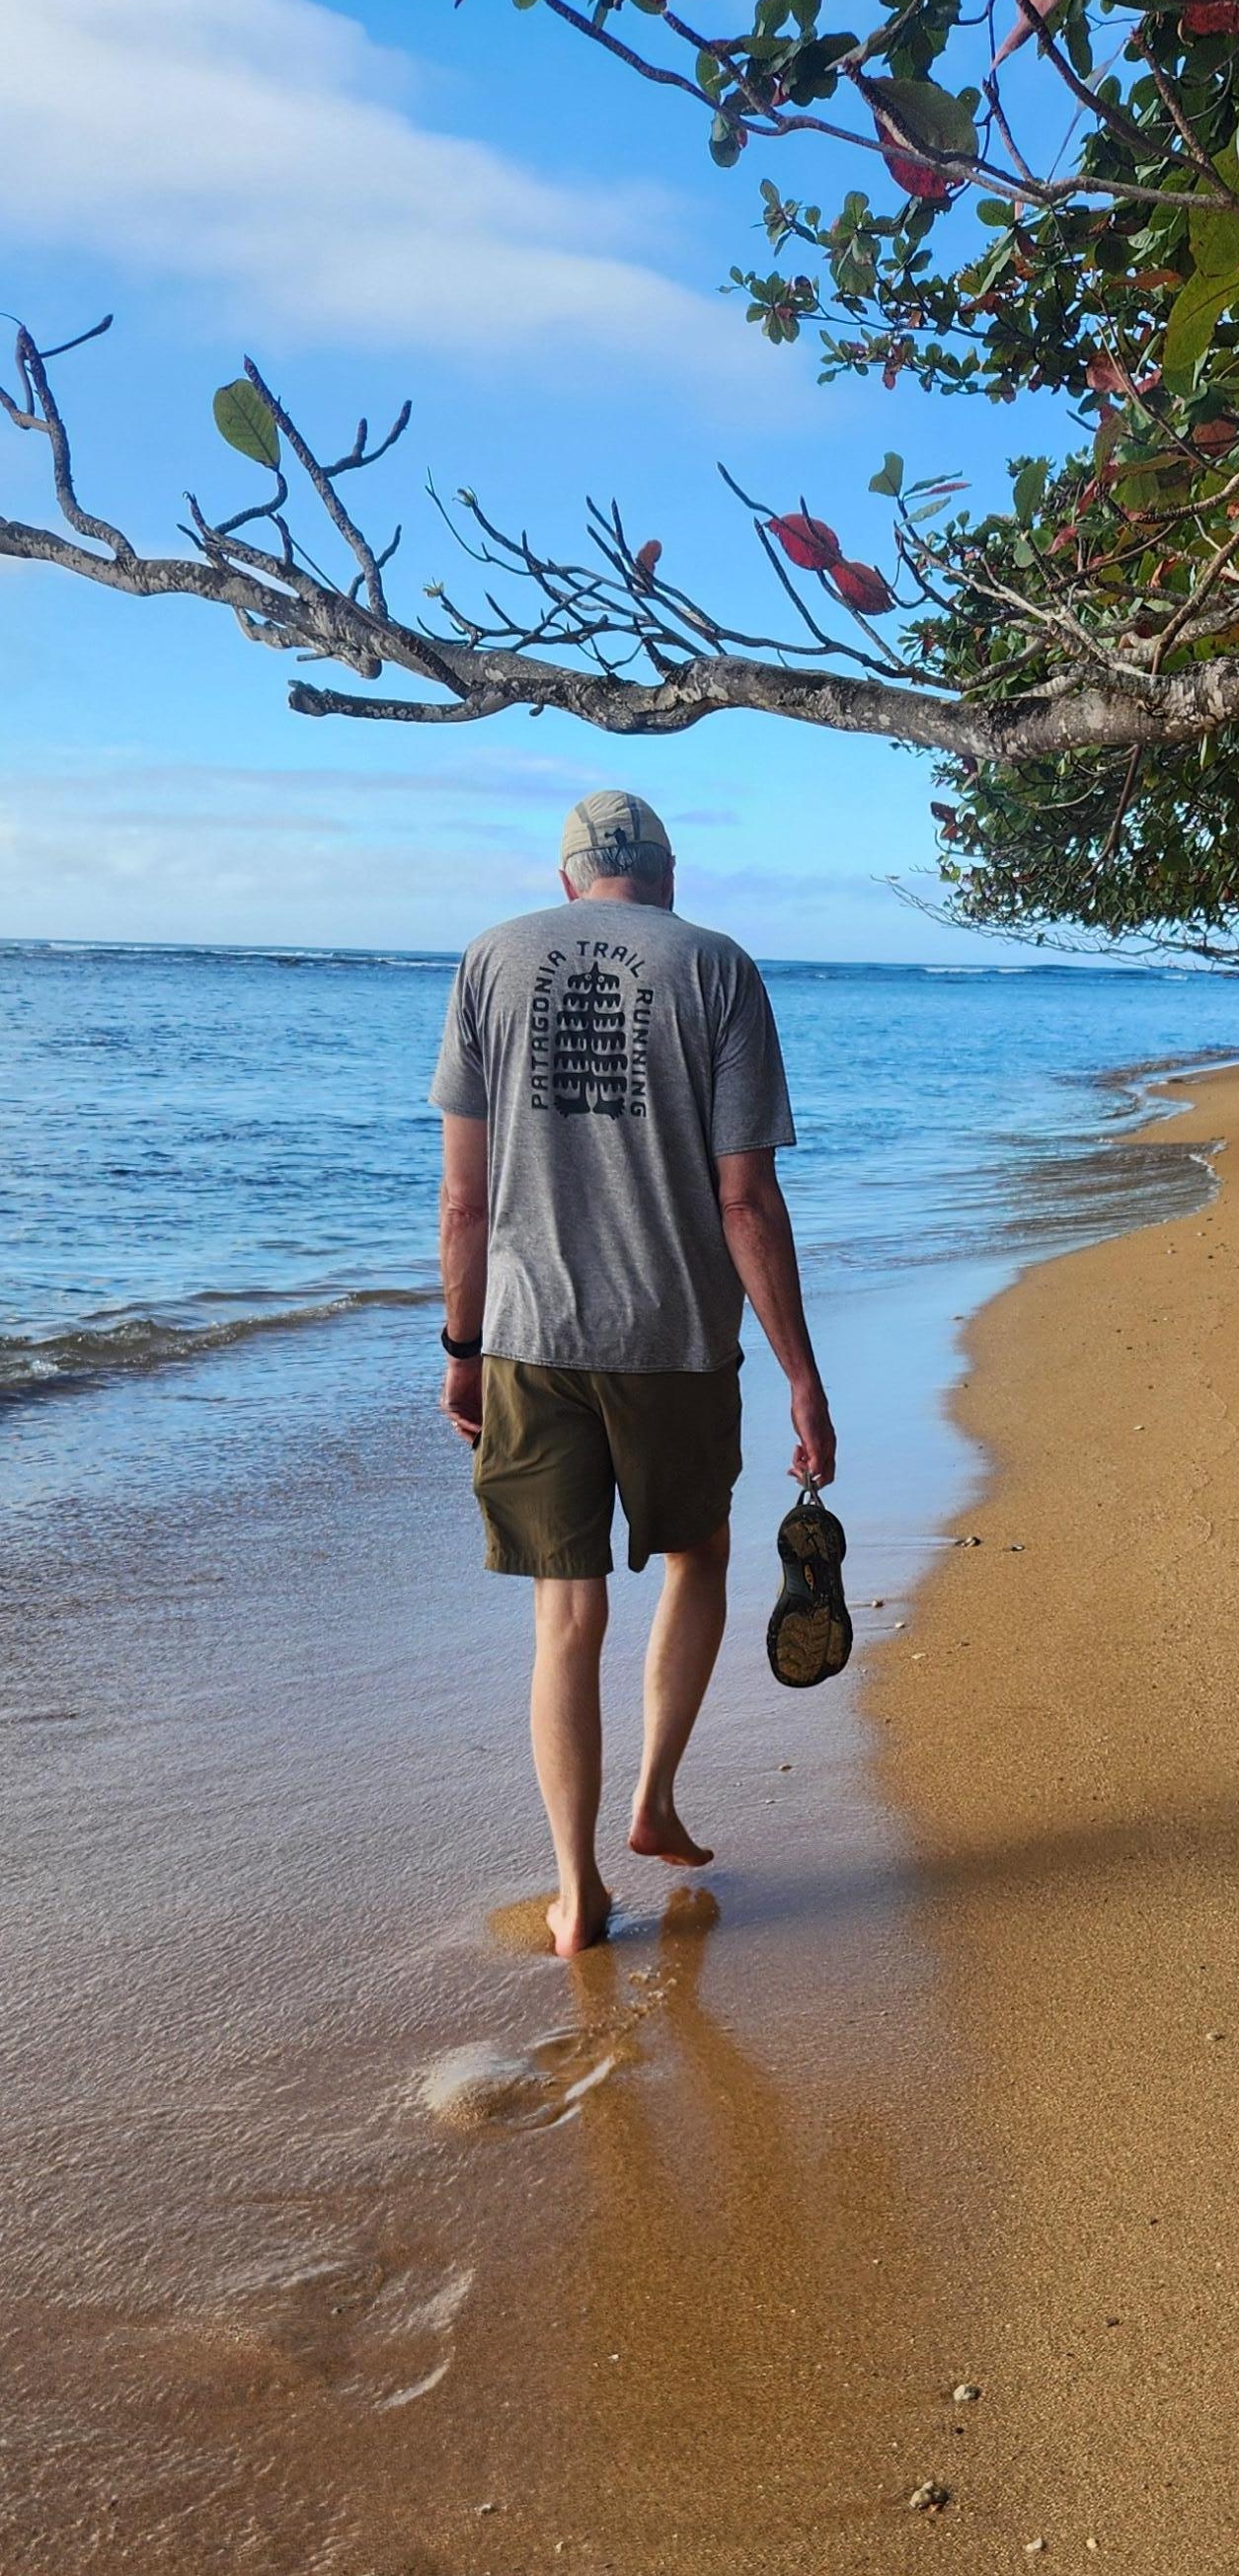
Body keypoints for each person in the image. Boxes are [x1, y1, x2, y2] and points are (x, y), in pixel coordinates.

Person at [430, 790, 835, 1955]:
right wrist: (801, 1372)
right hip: (675, 1338)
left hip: (530, 1335)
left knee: (567, 1612)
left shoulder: (488, 962)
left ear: (568, 881)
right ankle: (655, 1797)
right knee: (696, 1553)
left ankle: (575, 1893)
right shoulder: (717, 967)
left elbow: (465, 1199)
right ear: (668, 874)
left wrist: (464, 1351)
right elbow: (745, 1196)